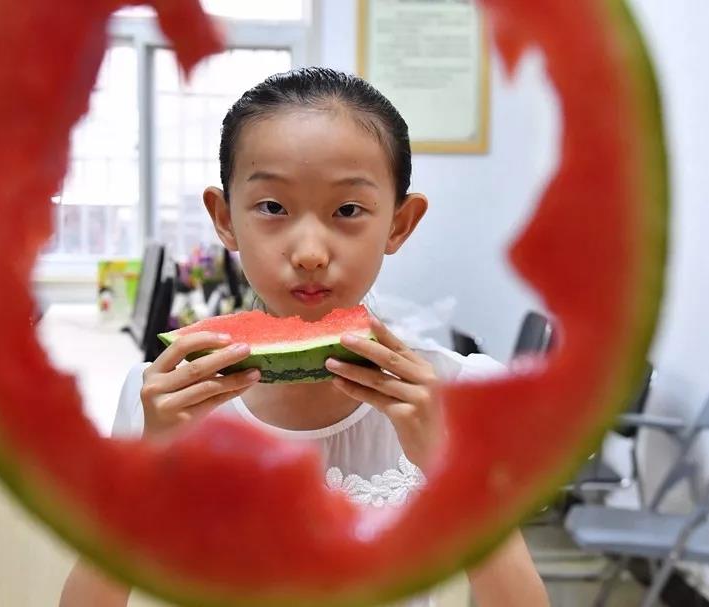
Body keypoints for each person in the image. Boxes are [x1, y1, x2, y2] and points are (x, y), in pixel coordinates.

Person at [61, 67, 549, 607]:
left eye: (348, 210)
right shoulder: (161, 397)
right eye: (272, 207)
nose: (311, 252)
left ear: (399, 223)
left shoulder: (459, 396)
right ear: (225, 219)